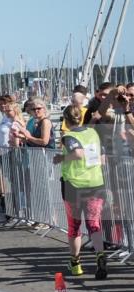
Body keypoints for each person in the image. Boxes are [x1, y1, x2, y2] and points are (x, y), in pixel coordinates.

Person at [55, 112, 110, 279]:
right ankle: (100, 255)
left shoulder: (68, 136)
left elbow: (78, 153)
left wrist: (62, 157)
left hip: (74, 186)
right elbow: (102, 160)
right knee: (94, 224)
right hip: (95, 183)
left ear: (66, 119)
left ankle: (76, 263)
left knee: (74, 225)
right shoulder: (93, 133)